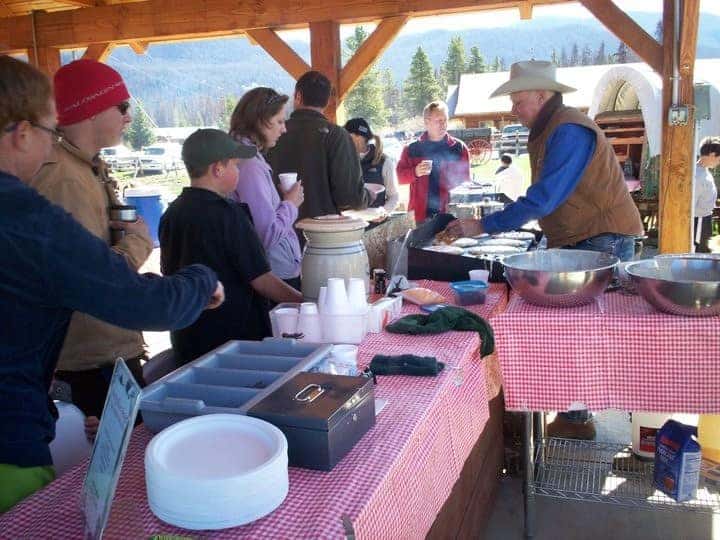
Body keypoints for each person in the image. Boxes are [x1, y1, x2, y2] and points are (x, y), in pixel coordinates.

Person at [0, 56, 223, 512]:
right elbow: (129, 296)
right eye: (48, 132)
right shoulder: (32, 205)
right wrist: (203, 278)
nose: (49, 148)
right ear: (22, 133)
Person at [446, 60, 644, 440]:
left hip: (602, 239)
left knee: (588, 335)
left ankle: (580, 419)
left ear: (542, 95)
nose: (512, 109)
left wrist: (483, 225)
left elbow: (545, 198)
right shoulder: (550, 127)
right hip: (583, 239)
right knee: (578, 334)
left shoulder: (569, 129)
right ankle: (576, 417)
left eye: (518, 101)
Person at [29, 59, 153, 440]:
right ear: (90, 109)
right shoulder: (64, 177)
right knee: (115, 473)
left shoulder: (83, 167)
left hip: (103, 350)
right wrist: (139, 240)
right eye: (122, 106)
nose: (129, 117)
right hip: (93, 360)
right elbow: (90, 279)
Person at [160, 129, 304, 365]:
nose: (238, 171)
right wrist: (303, 301)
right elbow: (262, 280)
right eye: (236, 166)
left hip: (189, 337)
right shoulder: (229, 215)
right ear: (218, 169)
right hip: (235, 341)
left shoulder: (172, 213)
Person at [267, 70, 370, 224]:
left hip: (279, 229)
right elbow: (350, 196)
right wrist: (368, 196)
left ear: (298, 96)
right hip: (322, 236)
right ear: (327, 101)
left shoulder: (273, 134)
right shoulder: (337, 136)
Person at [229, 87, 304, 290]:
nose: (284, 129)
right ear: (259, 120)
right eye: (279, 121)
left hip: (273, 270)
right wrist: (290, 204)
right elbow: (266, 235)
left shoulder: (247, 157)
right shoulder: (249, 164)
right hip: (272, 275)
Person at [396, 101, 470, 223]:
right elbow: (398, 178)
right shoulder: (412, 149)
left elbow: (466, 184)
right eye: (438, 121)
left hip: (450, 216)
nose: (443, 124)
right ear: (426, 122)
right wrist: (415, 172)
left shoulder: (459, 148)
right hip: (419, 217)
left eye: (445, 120)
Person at [344, 117, 400, 214]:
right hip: (350, 222)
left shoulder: (384, 161)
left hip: (375, 222)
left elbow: (394, 196)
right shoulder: (343, 160)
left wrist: (384, 212)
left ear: (359, 137)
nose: (344, 140)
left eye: (347, 136)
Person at [694, 136, 720, 253]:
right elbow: (690, 205)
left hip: (705, 219)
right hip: (698, 221)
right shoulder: (697, 175)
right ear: (712, 154)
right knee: (698, 254)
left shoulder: (705, 172)